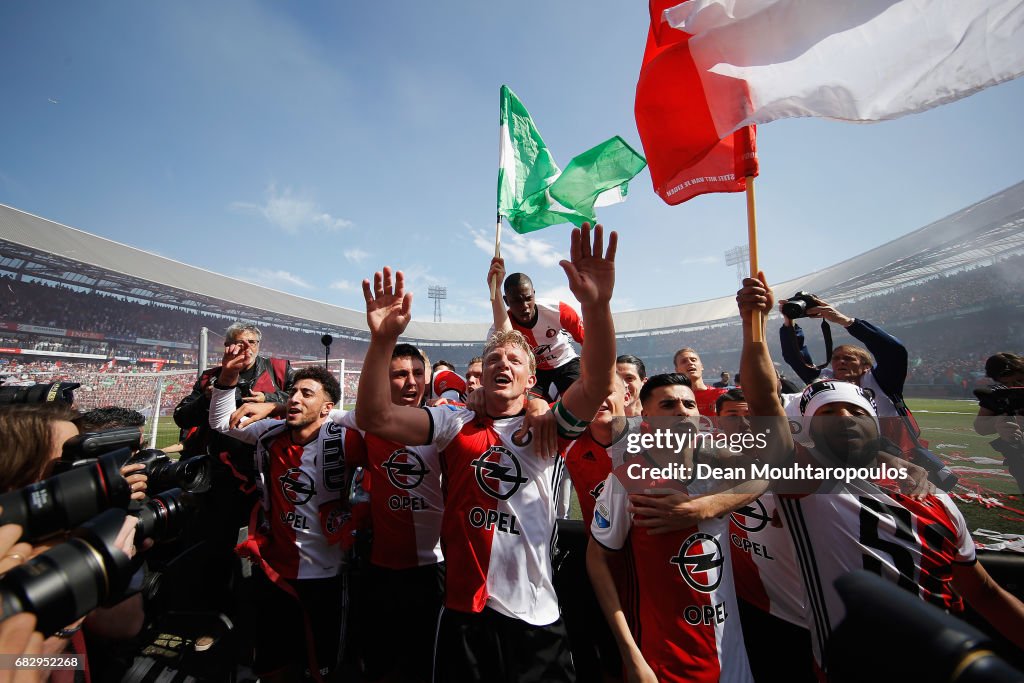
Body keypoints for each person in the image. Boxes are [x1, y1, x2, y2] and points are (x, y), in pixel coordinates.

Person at [357, 223, 618, 683]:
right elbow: (376, 418)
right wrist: (381, 342)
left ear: (531, 378)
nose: (503, 363)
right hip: (462, 612)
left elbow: (596, 380)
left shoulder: (548, 427)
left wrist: (596, 307)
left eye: (516, 359)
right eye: (494, 358)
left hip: (534, 617)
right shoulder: (451, 421)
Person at [739, 275, 1024, 675]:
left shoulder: (937, 502)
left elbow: (987, 594)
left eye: (856, 413)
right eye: (829, 414)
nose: (846, 420)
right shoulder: (806, 486)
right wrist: (756, 322)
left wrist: (841, 319)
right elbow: (764, 399)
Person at [585, 370, 772, 683]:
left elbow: (764, 475)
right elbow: (597, 559)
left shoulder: (719, 465)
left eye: (689, 404)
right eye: (669, 405)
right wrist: (631, 655)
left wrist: (701, 507)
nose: (682, 411)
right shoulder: (625, 481)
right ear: (646, 416)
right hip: (664, 658)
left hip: (730, 654)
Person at [209, 359, 362, 683]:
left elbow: (369, 421)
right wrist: (229, 375)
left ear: (327, 407)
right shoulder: (271, 435)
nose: (295, 398)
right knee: (274, 666)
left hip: (328, 575)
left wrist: (275, 407)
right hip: (276, 571)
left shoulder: (344, 439)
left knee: (322, 671)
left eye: (307, 393)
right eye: (292, 392)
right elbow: (222, 423)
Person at [777, 293, 922, 457]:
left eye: (848, 358)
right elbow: (795, 357)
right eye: (836, 358)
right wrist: (789, 322)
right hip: (843, 453)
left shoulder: (881, 380)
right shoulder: (823, 381)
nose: (841, 362)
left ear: (866, 365)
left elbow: (894, 351)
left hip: (893, 451)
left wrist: (843, 320)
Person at [487, 256, 585, 400]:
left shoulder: (558, 310)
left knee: (579, 402)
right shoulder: (498, 329)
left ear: (534, 294)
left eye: (528, 298)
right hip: (534, 373)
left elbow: (587, 340)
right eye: (516, 301)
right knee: (531, 409)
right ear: (506, 301)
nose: (524, 306)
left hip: (566, 363)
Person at [973, 352, 1024, 493]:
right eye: (1007, 383)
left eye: (1019, 380)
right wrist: (998, 422)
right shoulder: (999, 394)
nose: (1014, 387)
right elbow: (980, 426)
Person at [673, 347, 727, 416]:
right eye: (684, 361)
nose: (690, 363)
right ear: (677, 370)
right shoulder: (673, 400)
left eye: (693, 360)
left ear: (701, 366)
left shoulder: (721, 395)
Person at [615, 353, 647, 418]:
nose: (623, 384)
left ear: (644, 382)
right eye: (617, 378)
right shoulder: (599, 422)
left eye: (629, 378)